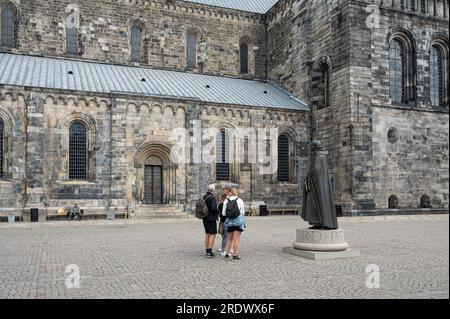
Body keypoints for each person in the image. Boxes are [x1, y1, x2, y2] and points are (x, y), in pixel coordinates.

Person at [221, 188, 246, 261]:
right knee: (236, 239)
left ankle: (226, 255)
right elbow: (243, 212)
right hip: (238, 221)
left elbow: (223, 213)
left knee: (229, 239)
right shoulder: (240, 200)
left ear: (230, 193)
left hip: (229, 222)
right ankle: (235, 256)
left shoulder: (226, 200)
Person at [203, 184, 219, 258]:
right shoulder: (212, 197)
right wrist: (218, 211)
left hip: (205, 218)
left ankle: (207, 250)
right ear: (213, 190)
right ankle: (209, 252)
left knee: (207, 234)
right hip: (211, 219)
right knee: (212, 234)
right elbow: (213, 209)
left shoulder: (204, 196)